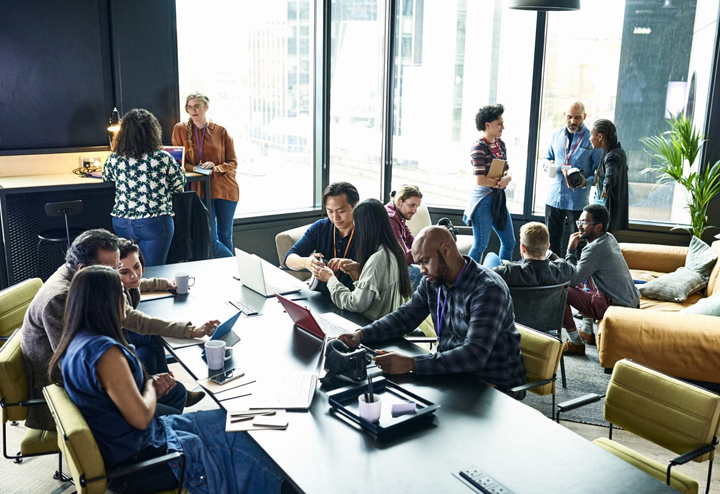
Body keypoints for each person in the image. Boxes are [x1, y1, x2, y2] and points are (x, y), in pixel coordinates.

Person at [47, 266, 285, 494]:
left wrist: (147, 387)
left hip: (137, 445)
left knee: (238, 420)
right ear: (104, 302)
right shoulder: (106, 354)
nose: (125, 297)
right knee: (247, 442)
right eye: (120, 292)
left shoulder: (76, 341)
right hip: (145, 461)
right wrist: (151, 387)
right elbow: (141, 418)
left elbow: (113, 400)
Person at [20, 229, 217, 430]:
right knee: (180, 417)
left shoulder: (82, 277)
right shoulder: (60, 299)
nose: (120, 283)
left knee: (174, 392)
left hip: (94, 376)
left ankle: (162, 428)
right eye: (113, 271)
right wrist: (137, 386)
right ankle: (159, 435)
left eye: (117, 268)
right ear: (83, 269)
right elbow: (73, 367)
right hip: (71, 394)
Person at [338, 226, 526, 394]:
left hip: (493, 385)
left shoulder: (488, 289)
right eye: (419, 263)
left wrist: (411, 363)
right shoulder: (434, 281)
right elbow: (405, 317)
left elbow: (474, 355)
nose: (421, 269)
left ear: (445, 250)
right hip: (453, 374)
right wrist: (361, 335)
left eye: (425, 261)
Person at [118, 239, 208, 409]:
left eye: (137, 266)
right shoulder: (114, 291)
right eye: (124, 272)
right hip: (117, 335)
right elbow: (142, 322)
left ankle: (164, 387)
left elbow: (140, 284)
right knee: (151, 335)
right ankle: (168, 382)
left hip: (124, 331)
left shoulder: (127, 282)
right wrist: (190, 330)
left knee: (149, 350)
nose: (134, 275)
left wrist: (164, 283)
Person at [103, 108, 186, 266]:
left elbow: (107, 177)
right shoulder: (162, 158)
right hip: (154, 221)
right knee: (153, 270)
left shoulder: (115, 158)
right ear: (152, 132)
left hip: (122, 222)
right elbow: (179, 186)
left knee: (128, 270)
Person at [312, 199, 412, 321]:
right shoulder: (396, 248)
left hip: (371, 325)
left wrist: (330, 279)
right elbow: (380, 284)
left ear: (365, 228)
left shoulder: (377, 260)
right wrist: (359, 268)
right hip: (392, 322)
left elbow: (355, 304)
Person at [561, 204, 639, 356]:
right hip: (630, 302)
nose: (579, 226)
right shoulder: (609, 238)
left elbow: (572, 280)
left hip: (617, 306)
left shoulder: (594, 249)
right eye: (579, 221)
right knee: (587, 271)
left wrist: (570, 250)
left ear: (598, 226)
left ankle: (575, 342)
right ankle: (587, 330)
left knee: (561, 289)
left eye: (584, 222)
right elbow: (583, 271)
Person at [172, 92, 239, 258]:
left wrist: (215, 167)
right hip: (201, 189)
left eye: (197, 106)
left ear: (206, 107)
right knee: (210, 238)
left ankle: (229, 271)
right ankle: (236, 266)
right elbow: (179, 162)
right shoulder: (180, 129)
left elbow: (233, 162)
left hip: (225, 189)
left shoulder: (220, 131)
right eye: (189, 107)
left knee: (225, 235)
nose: (193, 110)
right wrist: (196, 168)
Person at [542, 101, 602, 257]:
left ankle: (576, 273)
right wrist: (547, 165)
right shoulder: (556, 135)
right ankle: (554, 272)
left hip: (578, 200)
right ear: (564, 115)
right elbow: (546, 158)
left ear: (585, 116)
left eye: (577, 117)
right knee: (551, 243)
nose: (573, 121)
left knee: (579, 243)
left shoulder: (592, 139)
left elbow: (600, 173)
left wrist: (586, 182)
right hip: (554, 197)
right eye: (569, 117)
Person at [463, 104, 516, 264]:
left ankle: (503, 275)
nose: (503, 127)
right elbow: (480, 180)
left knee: (509, 242)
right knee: (480, 245)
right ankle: (468, 277)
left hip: (498, 198)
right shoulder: (479, 147)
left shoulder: (500, 144)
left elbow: (506, 168)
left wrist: (508, 178)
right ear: (488, 125)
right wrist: (500, 182)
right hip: (483, 200)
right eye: (499, 124)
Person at [285, 182, 359, 292]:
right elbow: (288, 259)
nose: (335, 217)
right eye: (330, 211)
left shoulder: (368, 231)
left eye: (341, 211)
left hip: (351, 296)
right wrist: (307, 262)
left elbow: (377, 276)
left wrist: (354, 267)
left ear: (356, 205)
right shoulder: (321, 227)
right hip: (321, 293)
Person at [484, 222, 575, 288]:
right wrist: (571, 250)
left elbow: (483, 276)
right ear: (548, 247)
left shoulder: (508, 272)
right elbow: (573, 268)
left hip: (514, 309)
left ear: (523, 248)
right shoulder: (562, 269)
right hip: (549, 309)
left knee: (491, 256)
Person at [589, 119, 629, 233]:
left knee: (601, 239)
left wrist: (605, 189)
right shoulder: (618, 151)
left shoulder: (611, 156)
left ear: (600, 137)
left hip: (606, 209)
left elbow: (610, 177)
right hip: (611, 209)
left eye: (591, 135)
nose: (590, 139)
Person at [385, 184, 423, 289]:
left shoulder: (399, 216)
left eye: (417, 207)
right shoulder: (391, 218)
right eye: (412, 205)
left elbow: (412, 241)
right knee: (420, 273)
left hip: (396, 263)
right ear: (399, 201)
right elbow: (403, 258)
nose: (415, 211)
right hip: (388, 267)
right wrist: (424, 251)